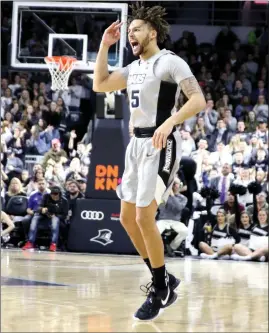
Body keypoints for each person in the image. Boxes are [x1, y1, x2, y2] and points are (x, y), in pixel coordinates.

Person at [93, 3, 206, 321]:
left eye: (137, 29)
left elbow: (198, 99)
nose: (131, 33)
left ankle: (160, 289)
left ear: (153, 32)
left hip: (162, 143)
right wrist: (105, 45)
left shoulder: (170, 62)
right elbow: (100, 84)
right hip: (137, 145)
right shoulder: (133, 68)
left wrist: (170, 123)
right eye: (129, 31)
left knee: (144, 217)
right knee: (128, 218)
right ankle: (165, 279)